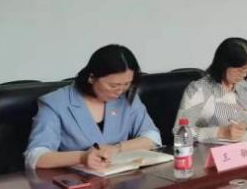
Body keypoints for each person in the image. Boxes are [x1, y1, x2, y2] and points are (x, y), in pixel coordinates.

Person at [25, 45, 161, 171]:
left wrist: (117, 148)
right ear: (91, 77)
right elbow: (36, 156)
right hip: (76, 182)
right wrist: (82, 157)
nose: (120, 91)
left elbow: (152, 137)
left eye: (126, 84)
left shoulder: (128, 96)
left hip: (121, 179)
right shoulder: (55, 103)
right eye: (113, 85)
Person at [175, 38, 247, 141]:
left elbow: (245, 120)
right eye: (240, 70)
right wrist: (220, 132)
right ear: (224, 64)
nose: (244, 75)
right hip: (208, 149)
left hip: (242, 146)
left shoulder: (245, 85)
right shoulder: (199, 90)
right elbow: (179, 133)